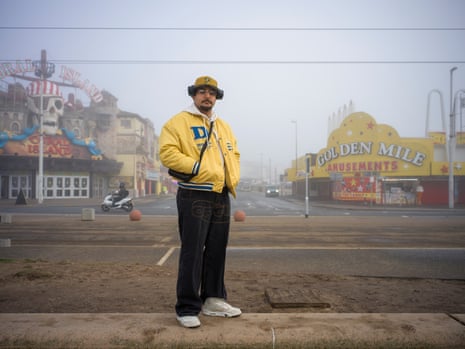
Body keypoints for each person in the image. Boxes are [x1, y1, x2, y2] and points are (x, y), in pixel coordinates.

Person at [159, 76, 241, 328]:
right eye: (202, 92)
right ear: (193, 95)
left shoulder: (223, 125)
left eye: (212, 93)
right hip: (194, 192)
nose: (207, 96)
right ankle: (186, 307)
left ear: (216, 97)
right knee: (192, 251)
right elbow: (167, 152)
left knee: (217, 249)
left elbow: (233, 152)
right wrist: (197, 168)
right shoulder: (178, 122)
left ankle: (214, 299)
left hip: (221, 193)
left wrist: (231, 177)